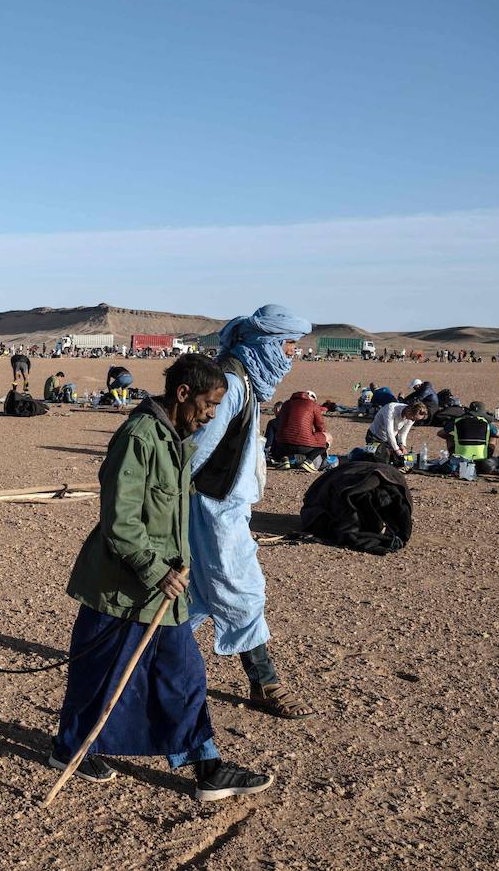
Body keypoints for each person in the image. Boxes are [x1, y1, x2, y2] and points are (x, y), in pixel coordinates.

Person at [50, 353, 274, 802]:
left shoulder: (174, 438)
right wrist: (156, 570)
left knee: (182, 674)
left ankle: (206, 766)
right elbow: (120, 522)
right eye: (208, 404)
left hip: (160, 591)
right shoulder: (139, 438)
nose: (211, 414)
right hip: (120, 587)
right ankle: (70, 748)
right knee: (97, 675)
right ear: (183, 394)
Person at [188, 304, 315, 720]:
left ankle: (146, 665)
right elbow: (197, 451)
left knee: (196, 596)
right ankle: (265, 683)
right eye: (289, 345)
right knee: (242, 590)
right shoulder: (230, 381)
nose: (292, 355)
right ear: (267, 343)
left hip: (227, 503)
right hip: (214, 506)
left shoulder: (244, 378)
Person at [270, 391, 332, 470]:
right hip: (304, 447)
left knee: (286, 436)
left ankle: (285, 459)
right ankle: (309, 461)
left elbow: (280, 422)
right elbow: (320, 427)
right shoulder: (313, 405)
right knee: (327, 438)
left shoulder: (286, 404)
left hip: (282, 446)